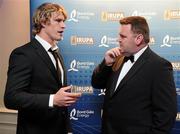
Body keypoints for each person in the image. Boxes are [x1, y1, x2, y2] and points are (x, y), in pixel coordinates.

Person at [4, 3, 81, 134]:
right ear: (43, 22)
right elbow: (12, 98)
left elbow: (60, 101)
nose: (63, 25)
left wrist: (67, 129)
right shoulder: (24, 54)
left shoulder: (56, 53)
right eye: (58, 20)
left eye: (63, 21)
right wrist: (52, 99)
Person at [91, 16, 177, 134]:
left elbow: (166, 114)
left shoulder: (159, 66)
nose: (118, 40)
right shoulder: (118, 58)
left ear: (138, 39)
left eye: (123, 36)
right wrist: (106, 63)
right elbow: (96, 83)